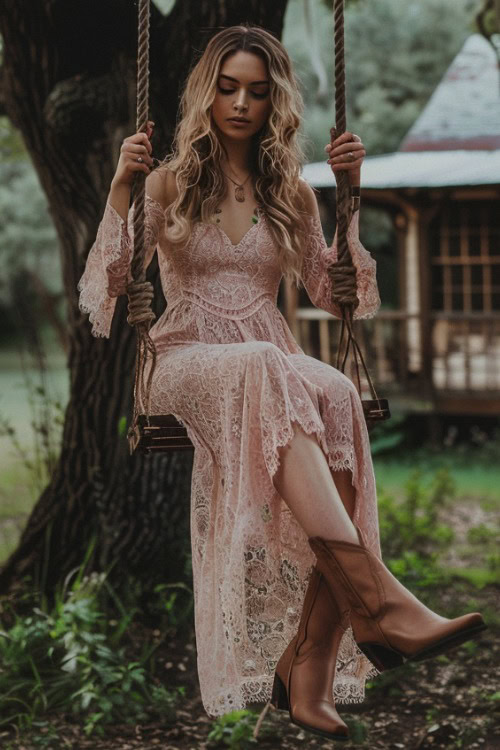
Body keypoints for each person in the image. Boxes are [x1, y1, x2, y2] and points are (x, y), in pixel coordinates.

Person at [77, 24, 486, 742]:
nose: (241, 103)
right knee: (274, 369)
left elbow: (340, 298)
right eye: (228, 87)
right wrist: (120, 185)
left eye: (258, 92)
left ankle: (312, 664)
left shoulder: (289, 192)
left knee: (333, 391)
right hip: (185, 362)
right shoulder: (167, 181)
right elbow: (105, 292)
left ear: (275, 102)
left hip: (265, 356)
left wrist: (350, 195)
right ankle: (382, 602)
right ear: (207, 92)